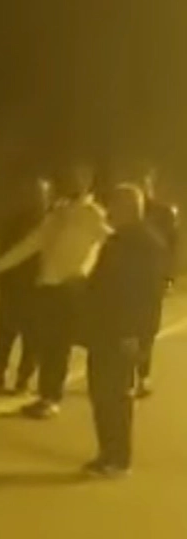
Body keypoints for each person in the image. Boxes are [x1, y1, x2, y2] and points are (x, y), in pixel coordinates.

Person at [0, 162, 111, 419]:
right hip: (47, 285)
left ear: (89, 180)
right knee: (47, 344)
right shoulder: (59, 211)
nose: (74, 181)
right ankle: (45, 395)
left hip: (71, 287)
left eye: (80, 177)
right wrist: (0, 265)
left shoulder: (93, 213)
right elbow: (34, 242)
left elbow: (108, 242)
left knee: (60, 344)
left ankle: (52, 398)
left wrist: (89, 272)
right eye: (72, 176)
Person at [83, 184, 166, 477]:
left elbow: (147, 295)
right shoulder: (118, 240)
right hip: (105, 329)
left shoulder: (146, 245)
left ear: (129, 208)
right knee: (101, 393)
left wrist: (136, 334)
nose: (109, 211)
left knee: (115, 396)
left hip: (122, 332)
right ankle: (107, 452)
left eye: (114, 205)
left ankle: (118, 458)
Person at [0, 177, 51, 395]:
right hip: (12, 286)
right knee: (5, 334)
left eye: (40, 194)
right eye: (33, 194)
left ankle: (23, 378)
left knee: (32, 337)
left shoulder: (52, 223)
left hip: (37, 288)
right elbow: (4, 252)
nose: (35, 198)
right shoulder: (15, 223)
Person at [135, 166, 179, 398]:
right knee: (121, 329)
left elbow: (172, 247)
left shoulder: (163, 213)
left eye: (143, 180)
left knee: (146, 329)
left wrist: (168, 277)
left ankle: (143, 375)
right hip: (122, 279)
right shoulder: (119, 209)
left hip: (150, 279)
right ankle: (121, 375)